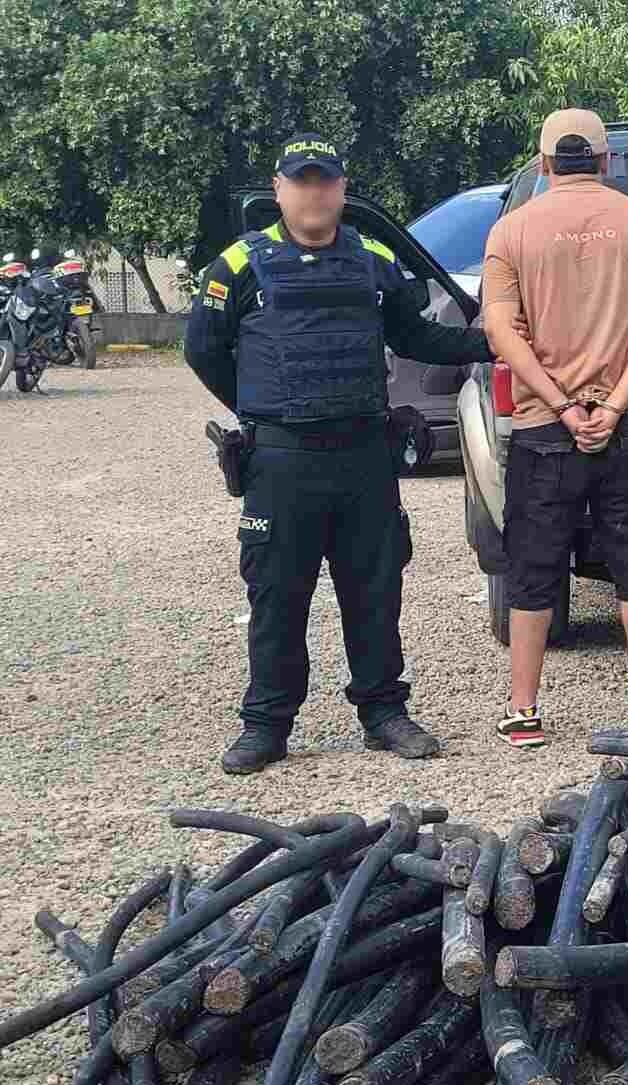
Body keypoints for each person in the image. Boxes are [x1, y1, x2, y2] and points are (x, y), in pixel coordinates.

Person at [185, 132, 495, 774]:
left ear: (342, 190)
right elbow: (204, 351)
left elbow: (416, 337)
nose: (315, 192)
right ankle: (266, 725)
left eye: (325, 180)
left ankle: (383, 713)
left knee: (375, 589)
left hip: (364, 458)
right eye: (301, 181)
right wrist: (258, 407)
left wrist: (493, 343)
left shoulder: (374, 258)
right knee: (277, 594)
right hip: (282, 461)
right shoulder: (239, 265)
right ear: (280, 191)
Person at [479, 109, 628, 749]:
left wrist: (564, 406)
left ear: (543, 164)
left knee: (533, 565)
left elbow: (502, 332)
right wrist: (617, 403)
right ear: (605, 160)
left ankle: (524, 711)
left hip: (546, 427)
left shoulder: (511, 232)